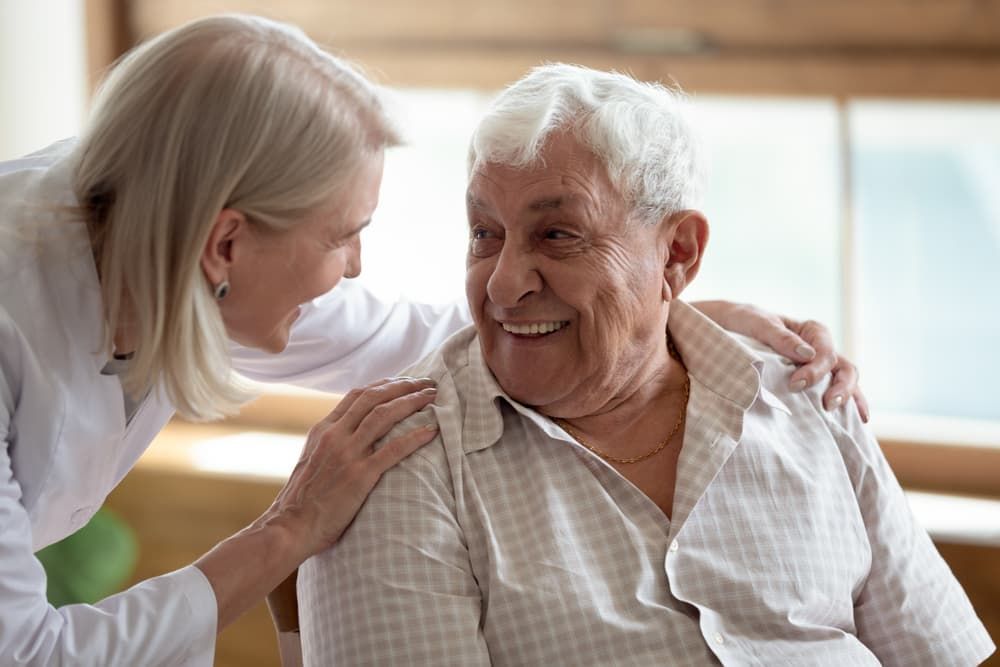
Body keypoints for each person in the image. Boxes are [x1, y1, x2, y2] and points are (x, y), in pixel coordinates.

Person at [0, 14, 862, 666]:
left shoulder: (172, 248)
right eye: (343, 235)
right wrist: (284, 533)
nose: (353, 267)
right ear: (226, 243)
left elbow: (454, 323)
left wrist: (676, 309)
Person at [298, 64, 995, 666]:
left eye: (558, 234)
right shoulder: (400, 460)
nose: (505, 283)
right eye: (485, 232)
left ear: (679, 254)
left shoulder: (806, 392)